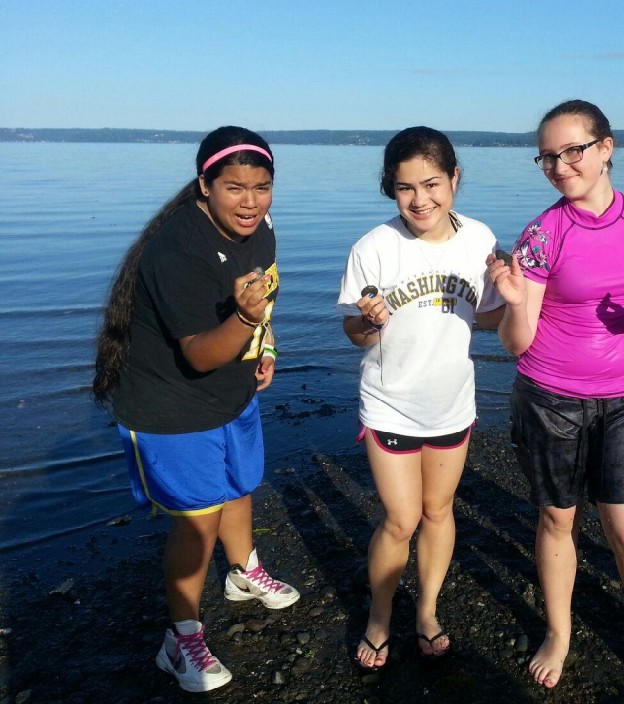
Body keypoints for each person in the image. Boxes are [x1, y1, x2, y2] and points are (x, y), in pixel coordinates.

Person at [93, 127, 299, 693]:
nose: (251, 201)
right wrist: (247, 322)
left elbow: (262, 296)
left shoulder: (263, 230)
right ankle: (179, 637)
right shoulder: (175, 250)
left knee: (239, 483)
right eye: (234, 188)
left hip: (230, 391)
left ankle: (242, 572)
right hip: (169, 403)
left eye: (262, 187)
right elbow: (202, 354)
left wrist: (266, 342)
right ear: (204, 185)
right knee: (196, 519)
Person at [486, 99, 624, 701]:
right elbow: (519, 345)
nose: (559, 165)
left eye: (573, 150)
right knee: (556, 520)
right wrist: (516, 302)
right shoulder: (543, 232)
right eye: (548, 155)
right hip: (548, 397)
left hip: (622, 399)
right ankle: (560, 632)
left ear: (606, 147)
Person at [338, 126, 505, 669]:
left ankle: (428, 610)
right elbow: (354, 334)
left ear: (455, 178)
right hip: (391, 401)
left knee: (439, 511)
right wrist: (367, 322)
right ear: (391, 189)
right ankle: (381, 616)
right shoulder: (374, 248)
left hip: (453, 401)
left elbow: (487, 316)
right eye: (405, 188)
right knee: (401, 519)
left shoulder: (479, 239)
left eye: (431, 184)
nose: (419, 200)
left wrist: (519, 294)